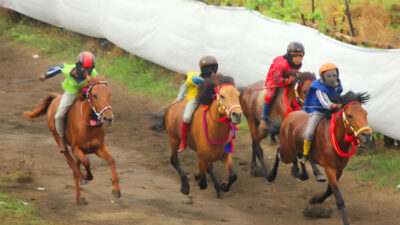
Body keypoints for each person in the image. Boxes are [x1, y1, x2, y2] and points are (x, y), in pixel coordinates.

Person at [39, 51, 97, 153]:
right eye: (84, 68)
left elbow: (100, 83)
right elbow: (56, 69)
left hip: (85, 92)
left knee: (97, 109)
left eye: (89, 68)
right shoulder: (68, 69)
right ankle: (62, 137)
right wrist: (45, 75)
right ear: (78, 66)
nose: (86, 71)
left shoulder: (93, 73)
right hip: (71, 93)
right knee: (59, 116)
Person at [300, 62, 343, 163]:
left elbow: (338, 93)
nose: (332, 78)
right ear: (323, 77)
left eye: (334, 75)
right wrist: (335, 105)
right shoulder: (318, 87)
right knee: (309, 132)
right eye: (329, 76)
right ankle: (305, 154)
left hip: (334, 110)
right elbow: (325, 103)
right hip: (319, 111)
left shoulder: (337, 83)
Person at [174, 56, 218, 152]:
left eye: (213, 68)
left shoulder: (215, 79)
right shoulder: (195, 79)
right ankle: (184, 142)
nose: (212, 71)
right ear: (203, 69)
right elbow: (185, 86)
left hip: (209, 99)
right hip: (195, 99)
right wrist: (179, 98)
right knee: (186, 117)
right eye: (209, 69)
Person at [260, 41, 305, 129]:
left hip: (288, 80)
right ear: (289, 54)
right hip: (273, 80)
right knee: (270, 95)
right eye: (295, 55)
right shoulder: (281, 64)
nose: (298, 58)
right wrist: (287, 80)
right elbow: (276, 79)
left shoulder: (298, 64)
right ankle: (263, 117)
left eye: (300, 55)